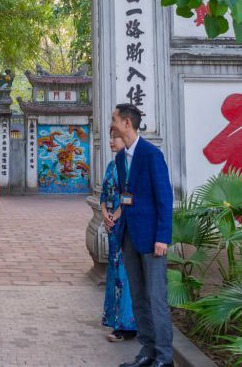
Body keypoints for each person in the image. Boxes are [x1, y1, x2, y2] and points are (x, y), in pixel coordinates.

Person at [110, 103, 174, 367]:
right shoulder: (119, 158)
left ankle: (164, 357)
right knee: (138, 297)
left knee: (157, 298)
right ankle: (147, 351)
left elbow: (164, 198)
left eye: (114, 119)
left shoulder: (151, 155)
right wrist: (117, 216)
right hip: (129, 237)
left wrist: (162, 237)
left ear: (126, 122)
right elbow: (128, 195)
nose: (111, 123)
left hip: (151, 239)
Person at [99, 130, 137, 342]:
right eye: (111, 136)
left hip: (125, 224)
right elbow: (104, 194)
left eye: (115, 137)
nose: (111, 141)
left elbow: (129, 196)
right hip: (112, 223)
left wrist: (115, 216)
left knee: (124, 274)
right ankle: (116, 321)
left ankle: (127, 325)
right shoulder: (111, 165)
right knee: (114, 273)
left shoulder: (129, 166)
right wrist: (105, 214)